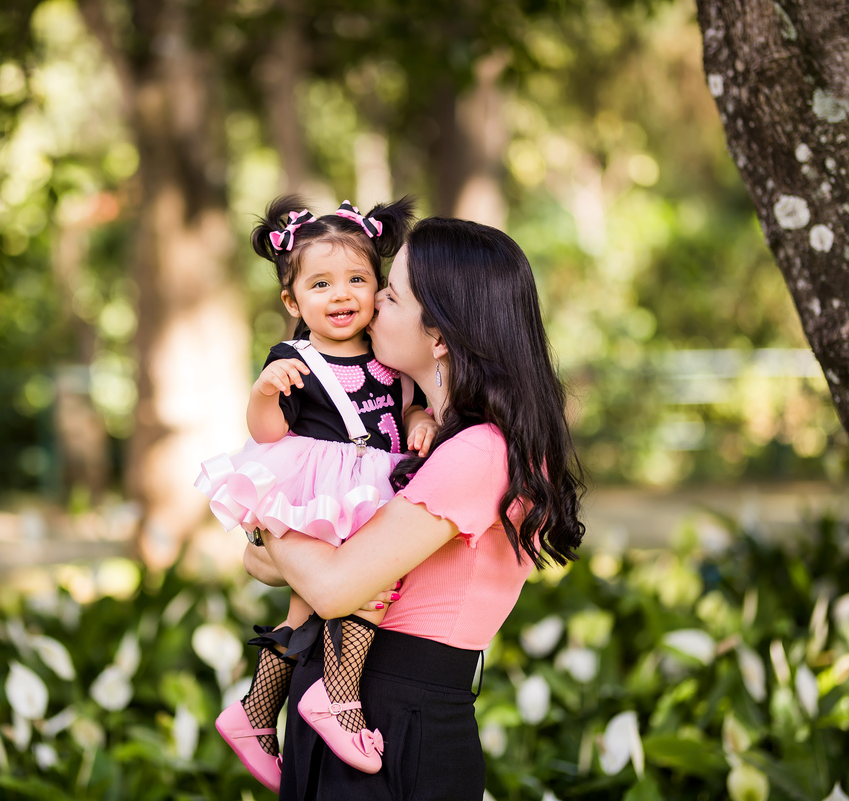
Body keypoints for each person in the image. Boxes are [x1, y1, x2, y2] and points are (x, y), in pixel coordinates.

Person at [244, 216, 587, 800]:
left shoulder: (481, 452)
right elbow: (264, 567)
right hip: (340, 706)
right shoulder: (415, 443)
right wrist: (277, 538)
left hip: (393, 719)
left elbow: (329, 588)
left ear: (440, 335)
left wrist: (264, 502)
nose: (369, 301)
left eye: (390, 293)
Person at [196, 196, 438, 792]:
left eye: (358, 280)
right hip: (324, 487)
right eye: (322, 284)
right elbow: (268, 434)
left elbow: (401, 410)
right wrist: (263, 393)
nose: (341, 295)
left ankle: (254, 712)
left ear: (379, 289)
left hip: (374, 478)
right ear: (292, 301)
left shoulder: (388, 355)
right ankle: (337, 697)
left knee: (304, 609)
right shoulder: (295, 358)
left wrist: (419, 423)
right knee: (369, 584)